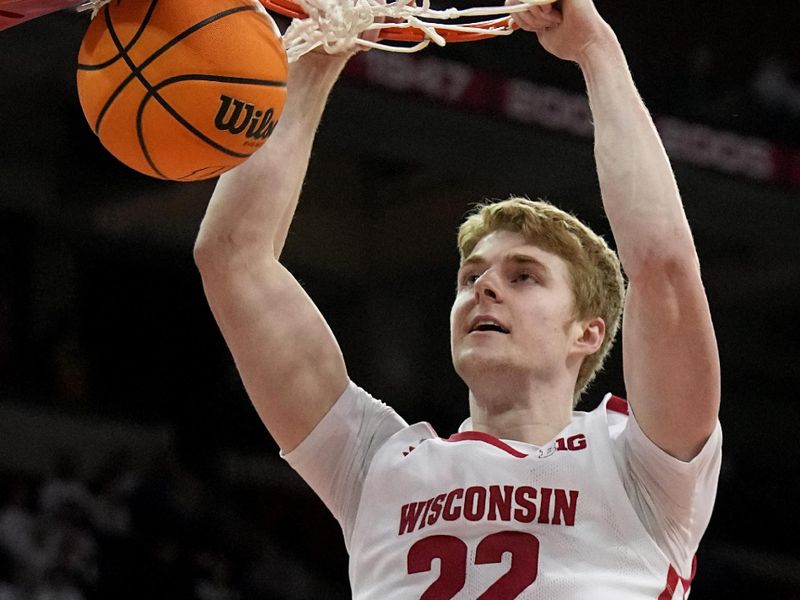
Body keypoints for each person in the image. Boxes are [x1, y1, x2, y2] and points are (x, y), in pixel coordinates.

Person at [193, 0, 722, 597]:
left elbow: (663, 268)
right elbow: (234, 259)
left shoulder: (643, 467)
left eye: (524, 276)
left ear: (588, 331)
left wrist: (596, 50)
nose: (484, 288)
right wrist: (319, 49)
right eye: (470, 277)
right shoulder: (374, 465)